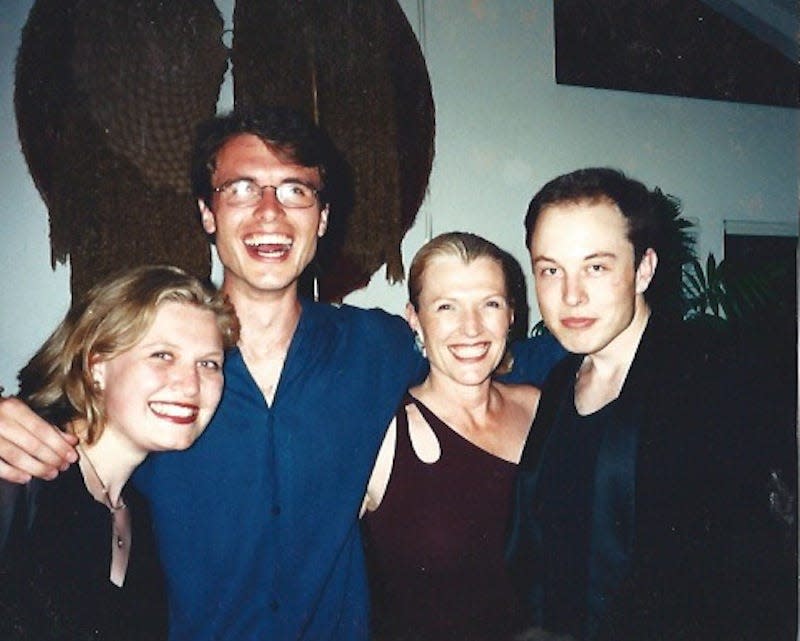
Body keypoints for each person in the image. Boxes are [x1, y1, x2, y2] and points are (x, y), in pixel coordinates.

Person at [0, 107, 566, 640]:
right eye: (242, 188)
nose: (269, 212)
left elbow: (508, 352)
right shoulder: (158, 372)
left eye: (295, 191)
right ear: (206, 212)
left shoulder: (375, 347)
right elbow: (56, 413)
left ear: (322, 219)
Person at [506, 167, 792, 641]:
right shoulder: (558, 383)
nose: (570, 295)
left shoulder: (709, 374)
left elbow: (748, 576)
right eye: (550, 270)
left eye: (596, 267)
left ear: (643, 270)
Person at [0, 264, 238, 641]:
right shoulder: (18, 471)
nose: (191, 384)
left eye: (208, 363)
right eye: (162, 354)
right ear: (97, 367)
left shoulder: (140, 513)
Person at [361, 232, 541, 641]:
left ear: (512, 314)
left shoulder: (540, 409)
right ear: (414, 318)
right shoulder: (382, 433)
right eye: (446, 307)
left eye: (490, 304)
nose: (471, 328)